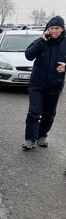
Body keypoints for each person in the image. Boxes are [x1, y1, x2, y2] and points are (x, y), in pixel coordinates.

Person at [22, 15, 66, 150]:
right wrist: (42, 40)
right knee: (34, 112)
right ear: (47, 29)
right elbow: (28, 55)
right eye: (52, 28)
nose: (54, 31)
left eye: (57, 28)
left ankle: (42, 135)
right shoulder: (41, 41)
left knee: (49, 113)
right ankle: (30, 139)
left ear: (62, 29)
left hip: (55, 85)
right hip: (37, 84)